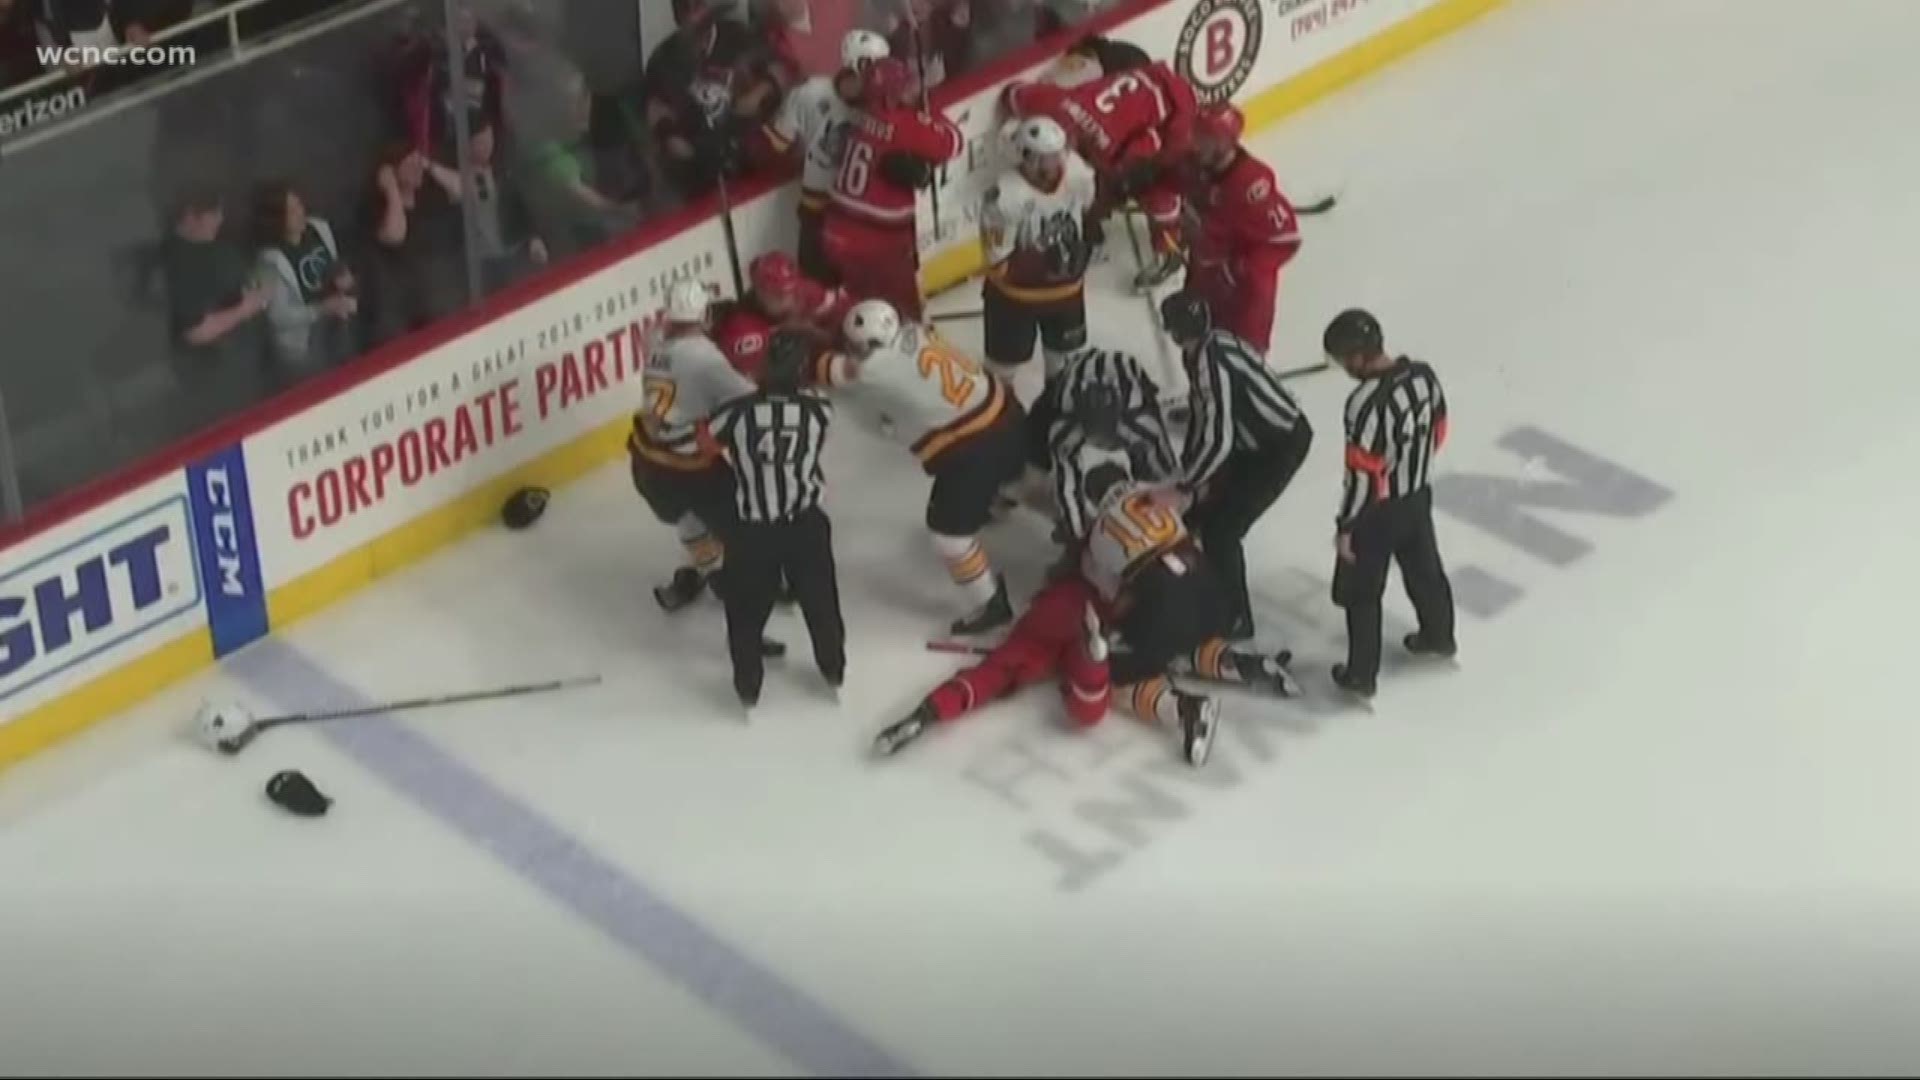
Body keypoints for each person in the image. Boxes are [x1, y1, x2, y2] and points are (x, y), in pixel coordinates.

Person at [875, 386, 1285, 767]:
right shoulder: (1144, 489)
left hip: (1132, 600)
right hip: (1202, 585)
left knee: (1114, 678)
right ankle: (1231, 662)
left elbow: (996, 671)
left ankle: (1175, 701)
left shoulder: (1089, 539)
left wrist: (929, 711)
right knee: (1163, 642)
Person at [816, 299, 1026, 635]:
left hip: (977, 446)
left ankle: (990, 604)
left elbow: (828, 370)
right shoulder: (915, 329)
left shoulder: (872, 367)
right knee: (1012, 475)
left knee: (949, 537)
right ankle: (1002, 496)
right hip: (1007, 411)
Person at [699, 331, 847, 710]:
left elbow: (707, 442)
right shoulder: (819, 409)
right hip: (805, 523)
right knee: (820, 602)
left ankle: (748, 684)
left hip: (753, 529)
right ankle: (832, 667)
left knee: (745, 611)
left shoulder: (736, 411)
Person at [1161, 290, 1313, 641]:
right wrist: (1191, 474)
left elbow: (1218, 437)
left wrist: (1185, 484)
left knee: (1223, 531)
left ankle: (1235, 618)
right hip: (1257, 441)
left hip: (1277, 448)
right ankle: (1204, 585)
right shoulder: (1214, 344)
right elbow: (1206, 415)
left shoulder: (1209, 363)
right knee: (1204, 512)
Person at [1323, 308, 1458, 698]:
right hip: (1417, 497)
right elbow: (1440, 429)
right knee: (1426, 572)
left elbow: (1362, 473)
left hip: (1376, 512)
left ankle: (1361, 675)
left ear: (1357, 355)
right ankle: (1439, 636)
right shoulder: (1423, 376)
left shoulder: (1363, 402)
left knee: (1362, 593)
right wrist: (1413, 467)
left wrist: (1346, 527)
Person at [1001, 57, 1197, 288]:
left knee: (1157, 190)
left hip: (1176, 110)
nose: (1037, 169)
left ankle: (1170, 249)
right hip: (1141, 80)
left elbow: (1153, 148)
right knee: (1094, 185)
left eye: (1038, 161)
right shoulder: (1053, 104)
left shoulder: (1107, 146)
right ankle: (1093, 233)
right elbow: (1012, 93)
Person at [630, 279, 757, 613]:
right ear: (704, 315)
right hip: (689, 463)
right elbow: (748, 397)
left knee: (687, 517)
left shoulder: (653, 339)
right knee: (738, 517)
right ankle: (734, 578)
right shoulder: (706, 358)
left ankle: (707, 569)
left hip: (646, 459)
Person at [824, 55, 963, 320]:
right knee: (901, 314)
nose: (911, 90)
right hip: (879, 241)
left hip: (836, 228)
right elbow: (953, 143)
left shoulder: (862, 113)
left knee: (858, 308)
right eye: (906, 86)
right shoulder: (905, 124)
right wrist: (927, 108)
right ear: (893, 93)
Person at [1160, 103, 1300, 352]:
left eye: (1204, 139)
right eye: (1196, 135)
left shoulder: (1251, 184)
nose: (1195, 143)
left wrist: (1237, 268)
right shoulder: (1198, 164)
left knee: (1244, 346)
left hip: (1242, 285)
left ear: (1225, 143)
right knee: (1195, 334)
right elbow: (1171, 176)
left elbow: (1286, 239)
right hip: (1205, 270)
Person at [756, 29, 891, 282]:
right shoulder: (810, 93)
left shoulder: (884, 107)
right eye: (876, 68)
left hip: (863, 212)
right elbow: (776, 146)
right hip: (817, 210)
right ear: (859, 65)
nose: (881, 76)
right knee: (816, 282)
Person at [979, 116, 1097, 386]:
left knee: (1065, 370)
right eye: (1047, 158)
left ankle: (1057, 419)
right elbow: (997, 263)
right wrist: (1043, 263)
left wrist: (1075, 254)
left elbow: (1088, 211)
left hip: (1067, 295)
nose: (1056, 164)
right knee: (1001, 374)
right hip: (1016, 301)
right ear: (1026, 157)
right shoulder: (1005, 197)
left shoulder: (1078, 174)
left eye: (1058, 155)